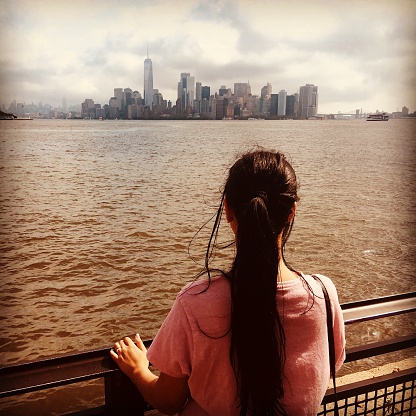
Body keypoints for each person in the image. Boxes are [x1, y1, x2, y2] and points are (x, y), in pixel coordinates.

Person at [111, 149, 346, 415]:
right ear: (291, 212)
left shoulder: (195, 303)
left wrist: (138, 369)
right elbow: (326, 370)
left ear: (227, 211)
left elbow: (168, 401)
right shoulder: (324, 295)